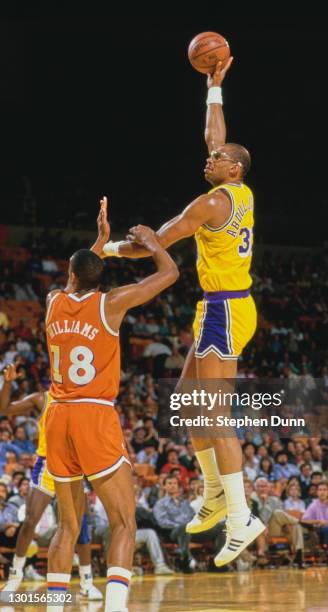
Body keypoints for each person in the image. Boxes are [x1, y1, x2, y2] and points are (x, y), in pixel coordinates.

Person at [102, 58, 263, 567]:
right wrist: (214, 89)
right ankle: (215, 493)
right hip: (221, 306)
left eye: (217, 160)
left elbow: (154, 243)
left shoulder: (210, 204)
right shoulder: (239, 192)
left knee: (215, 417)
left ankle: (241, 518)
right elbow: (218, 138)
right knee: (186, 404)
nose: (208, 159)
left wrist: (107, 250)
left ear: (231, 169)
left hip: (224, 311)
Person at [44, 199, 178, 612]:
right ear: (99, 278)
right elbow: (170, 274)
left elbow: (81, 272)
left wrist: (100, 242)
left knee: (68, 527)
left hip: (57, 415)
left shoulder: (52, 301)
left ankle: (53, 606)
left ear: (69, 275)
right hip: (93, 415)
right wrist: (154, 243)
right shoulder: (111, 303)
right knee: (123, 521)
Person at [0, 364, 103, 599]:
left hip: (76, 467)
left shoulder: (82, 401)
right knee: (29, 521)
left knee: (82, 525)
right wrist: (7, 382)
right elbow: (5, 408)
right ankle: (14, 579)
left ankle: (87, 582)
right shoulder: (42, 399)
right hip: (47, 464)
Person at [153, 475, 225, 573]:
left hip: (191, 530)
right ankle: (186, 561)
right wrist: (182, 525)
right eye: (169, 483)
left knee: (222, 525)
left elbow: (194, 517)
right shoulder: (160, 503)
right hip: (172, 533)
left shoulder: (185, 502)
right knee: (184, 527)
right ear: (164, 486)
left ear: (178, 486)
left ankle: (216, 561)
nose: (172, 486)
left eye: (175, 483)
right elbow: (162, 522)